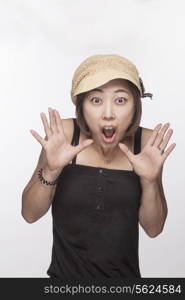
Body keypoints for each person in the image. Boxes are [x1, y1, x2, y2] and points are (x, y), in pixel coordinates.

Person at [21, 54, 176, 279]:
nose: (108, 113)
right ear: (81, 105)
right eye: (96, 100)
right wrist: (51, 169)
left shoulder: (147, 144)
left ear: (135, 106)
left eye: (121, 100)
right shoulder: (63, 135)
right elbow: (30, 214)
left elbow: (154, 229)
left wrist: (150, 182)